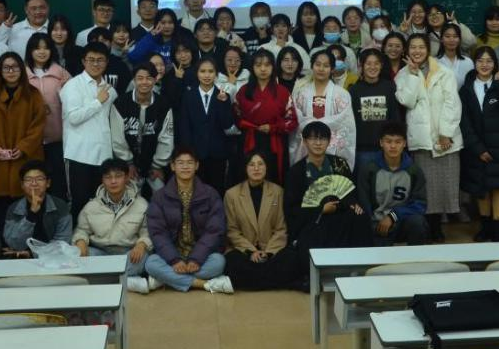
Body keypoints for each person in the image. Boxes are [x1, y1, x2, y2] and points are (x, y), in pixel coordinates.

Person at [394, 34, 462, 241]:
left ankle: (438, 226)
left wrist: (445, 133)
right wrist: (413, 76)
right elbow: (407, 101)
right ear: (407, 51)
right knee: (426, 188)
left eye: (421, 47)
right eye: (413, 47)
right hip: (421, 139)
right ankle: (427, 227)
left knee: (444, 187)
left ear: (428, 49)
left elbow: (452, 103)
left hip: (445, 138)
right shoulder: (402, 74)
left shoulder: (444, 72)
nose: (417, 51)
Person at [283, 122, 371, 279]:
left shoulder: (340, 164)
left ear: (329, 141)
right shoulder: (296, 172)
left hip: (339, 213)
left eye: (322, 139)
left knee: (360, 218)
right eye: (313, 139)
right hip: (313, 220)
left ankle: (361, 269)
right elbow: (291, 208)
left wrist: (353, 205)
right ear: (304, 141)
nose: (318, 143)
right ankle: (316, 276)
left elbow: (349, 192)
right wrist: (320, 210)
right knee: (311, 236)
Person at [144, 146, 232, 293]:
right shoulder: (160, 197)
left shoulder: (210, 194)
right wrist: (174, 260)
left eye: (190, 162)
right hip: (172, 255)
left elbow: (215, 230)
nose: (185, 167)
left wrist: (196, 258)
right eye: (180, 162)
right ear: (172, 166)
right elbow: (158, 233)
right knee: (151, 263)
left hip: (202, 256)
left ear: (196, 165)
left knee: (219, 262)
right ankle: (203, 284)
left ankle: (165, 279)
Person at [459, 46, 499, 242]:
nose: (484, 65)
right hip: (477, 148)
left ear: (495, 64)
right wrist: (478, 148)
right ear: (474, 63)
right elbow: (464, 122)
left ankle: (497, 229)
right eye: (480, 61)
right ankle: (485, 227)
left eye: (489, 61)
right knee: (482, 189)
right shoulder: (466, 88)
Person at [0, 51, 46, 246]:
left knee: (29, 211)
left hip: (26, 160)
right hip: (0, 164)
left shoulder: (33, 94)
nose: (11, 71)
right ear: (0, 71)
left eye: (15, 67)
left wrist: (23, 147)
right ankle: (4, 253)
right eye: (6, 68)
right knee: (2, 214)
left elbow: (39, 126)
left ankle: (29, 253)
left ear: (22, 69)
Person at [75, 158, 153, 289]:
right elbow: (81, 230)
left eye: (118, 176)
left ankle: (102, 280)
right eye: (108, 177)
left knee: (143, 257)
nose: (113, 181)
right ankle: (128, 282)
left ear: (127, 178)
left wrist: (142, 244)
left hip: (129, 253)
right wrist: (80, 241)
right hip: (101, 253)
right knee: (79, 256)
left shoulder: (141, 204)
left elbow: (148, 232)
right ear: (102, 180)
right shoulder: (91, 206)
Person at [223, 151, 296, 290]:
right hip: (244, 251)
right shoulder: (231, 194)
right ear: (245, 168)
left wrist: (268, 253)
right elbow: (232, 231)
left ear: (266, 167)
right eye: (251, 165)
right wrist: (251, 252)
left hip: (271, 251)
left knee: (291, 259)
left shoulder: (278, 192)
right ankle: (271, 281)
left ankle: (253, 281)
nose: (256, 168)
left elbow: (281, 229)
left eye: (260, 164)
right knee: (232, 262)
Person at [61, 42, 119, 218]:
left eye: (100, 60)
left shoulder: (110, 90)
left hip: (104, 156)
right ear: (83, 61)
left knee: (102, 204)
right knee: (80, 204)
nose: (95, 63)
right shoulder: (73, 85)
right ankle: (78, 236)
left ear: (106, 62)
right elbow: (73, 117)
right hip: (80, 155)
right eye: (91, 59)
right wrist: (97, 102)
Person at [356, 123, 429, 245]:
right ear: (381, 143)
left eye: (398, 142)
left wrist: (392, 216)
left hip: (401, 221)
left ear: (404, 143)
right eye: (388, 141)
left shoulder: (414, 171)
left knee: (418, 223)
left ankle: (415, 255)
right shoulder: (369, 169)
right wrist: (372, 224)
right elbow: (364, 202)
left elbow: (420, 204)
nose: (393, 146)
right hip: (376, 223)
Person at [110, 64, 174, 197]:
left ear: (155, 79)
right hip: (129, 164)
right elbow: (117, 138)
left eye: (149, 78)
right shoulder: (121, 103)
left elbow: (167, 137)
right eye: (140, 78)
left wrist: (157, 165)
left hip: (155, 163)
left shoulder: (163, 104)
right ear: (134, 80)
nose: (144, 82)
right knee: (131, 198)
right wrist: (128, 163)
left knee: (162, 196)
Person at [176, 57, 237, 193]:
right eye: (203, 71)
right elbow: (184, 127)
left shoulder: (223, 95)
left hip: (218, 154)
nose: (207, 75)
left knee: (217, 191)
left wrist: (222, 103)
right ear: (197, 73)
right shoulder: (188, 96)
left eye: (210, 71)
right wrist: (188, 153)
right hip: (195, 154)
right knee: (196, 192)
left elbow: (228, 125)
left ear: (216, 74)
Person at [234, 49, 296, 182]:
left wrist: (273, 127)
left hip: (274, 141)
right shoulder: (243, 91)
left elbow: (292, 121)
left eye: (267, 65)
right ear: (252, 67)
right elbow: (236, 115)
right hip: (249, 139)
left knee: (273, 177)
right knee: (249, 176)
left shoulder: (283, 92)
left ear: (273, 67)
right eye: (258, 65)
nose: (263, 69)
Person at [290, 50, 357, 169]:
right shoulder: (301, 94)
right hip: (306, 146)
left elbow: (346, 123)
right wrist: (312, 134)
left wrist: (316, 126)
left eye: (326, 66)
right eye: (318, 64)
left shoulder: (341, 94)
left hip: (333, 147)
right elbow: (296, 120)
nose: (321, 69)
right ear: (312, 66)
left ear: (332, 69)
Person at [25, 32, 72, 194]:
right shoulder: (22, 74)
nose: (42, 52)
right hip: (31, 139)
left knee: (58, 182)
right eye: (37, 48)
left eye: (46, 48)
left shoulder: (61, 73)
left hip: (57, 139)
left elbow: (72, 102)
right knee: (34, 181)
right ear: (30, 51)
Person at [2, 160, 72, 257]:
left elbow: (63, 242)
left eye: (39, 179)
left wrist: (32, 254)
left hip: (53, 259)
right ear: (22, 184)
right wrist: (31, 215)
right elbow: (14, 244)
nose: (34, 183)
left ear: (48, 183)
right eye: (28, 179)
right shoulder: (14, 208)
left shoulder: (60, 206)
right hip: (20, 258)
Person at [350, 49, 401, 157]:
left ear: (381, 65)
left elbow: (395, 117)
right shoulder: (354, 90)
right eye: (368, 64)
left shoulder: (390, 87)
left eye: (376, 63)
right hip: (362, 149)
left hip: (387, 147)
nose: (372, 67)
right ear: (362, 66)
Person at [86, 26, 132, 94]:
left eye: (104, 40)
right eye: (96, 41)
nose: (100, 43)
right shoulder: (83, 64)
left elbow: (127, 91)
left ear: (111, 43)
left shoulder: (119, 64)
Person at [436, 23, 473, 87]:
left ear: (459, 39)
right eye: (447, 36)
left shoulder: (468, 62)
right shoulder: (434, 62)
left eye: (455, 36)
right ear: (441, 39)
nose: (451, 40)